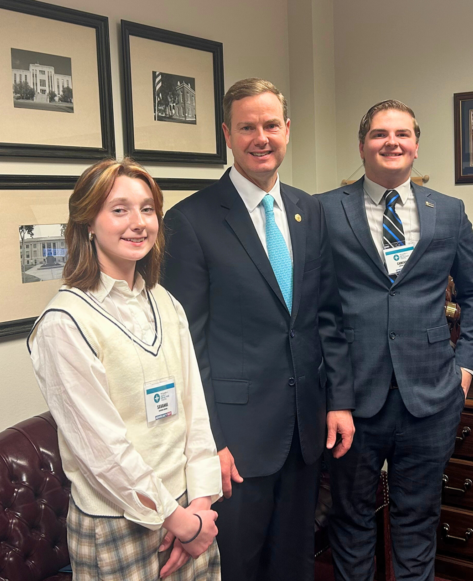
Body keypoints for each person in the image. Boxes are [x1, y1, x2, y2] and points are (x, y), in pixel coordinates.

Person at [162, 78, 355, 581]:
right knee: (240, 569)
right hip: (237, 446)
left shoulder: (308, 210)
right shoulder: (190, 221)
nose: (260, 137)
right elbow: (188, 350)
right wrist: (211, 446)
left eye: (271, 125)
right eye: (247, 127)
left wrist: (338, 401)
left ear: (288, 131)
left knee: (295, 565)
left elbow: (325, 317)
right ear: (227, 134)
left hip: (305, 432)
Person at [318, 100, 473, 581]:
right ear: (362, 145)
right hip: (351, 399)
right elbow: (313, 304)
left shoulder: (449, 212)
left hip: (431, 396)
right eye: (379, 134)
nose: (390, 142)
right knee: (351, 520)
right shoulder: (324, 210)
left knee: (418, 519)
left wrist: (467, 367)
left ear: (415, 145)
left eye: (401, 134)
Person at [28, 158, 223, 581]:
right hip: (121, 524)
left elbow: (195, 411)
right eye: (119, 210)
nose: (138, 223)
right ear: (88, 223)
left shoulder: (164, 302)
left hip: (190, 508)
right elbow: (104, 452)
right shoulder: (64, 322)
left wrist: (202, 504)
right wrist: (180, 523)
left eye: (148, 209)